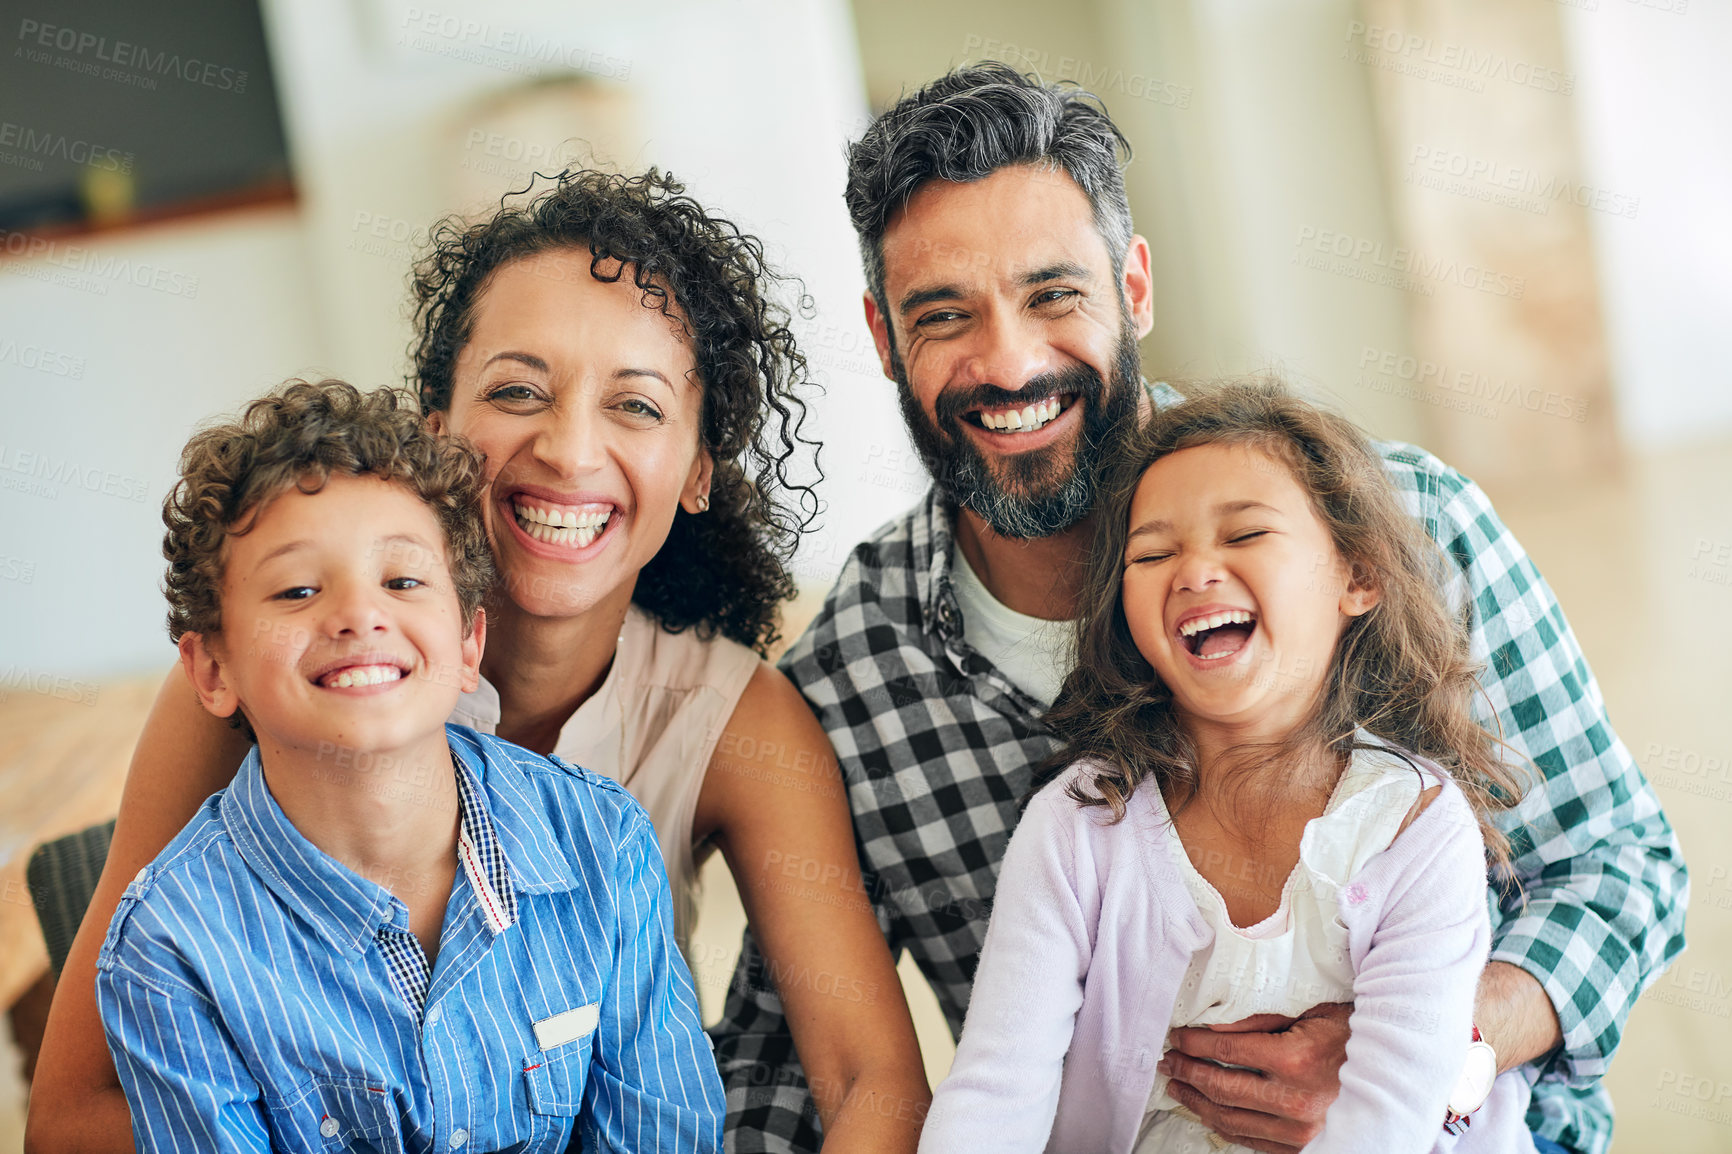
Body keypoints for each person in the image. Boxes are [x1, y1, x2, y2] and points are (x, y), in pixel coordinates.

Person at [711, 64, 1686, 1154]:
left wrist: (1428, 1057)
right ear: (883, 339)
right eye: (943, 315)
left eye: (1053, 294)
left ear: (1132, 287)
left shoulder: (1405, 524)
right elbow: (779, 1052)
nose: (1010, 361)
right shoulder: (851, 675)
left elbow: (1619, 868)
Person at [28, 169, 930, 1154]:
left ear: (698, 465)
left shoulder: (730, 724)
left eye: (634, 405)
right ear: (437, 433)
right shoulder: (273, 675)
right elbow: (71, 1111)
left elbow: (868, 1077)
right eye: (516, 390)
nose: (570, 448)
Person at [97, 379, 723, 1151]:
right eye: (297, 589)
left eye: (402, 581)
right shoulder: (172, 947)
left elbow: (662, 1132)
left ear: (468, 643)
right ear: (211, 671)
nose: (360, 614)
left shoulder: (603, 842)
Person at [921, 381, 1537, 1153]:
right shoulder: (1077, 826)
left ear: (1358, 576)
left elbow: (1389, 1115)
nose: (1194, 571)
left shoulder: (1417, 826)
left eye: (1244, 536)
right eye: (1153, 552)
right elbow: (993, 1093)